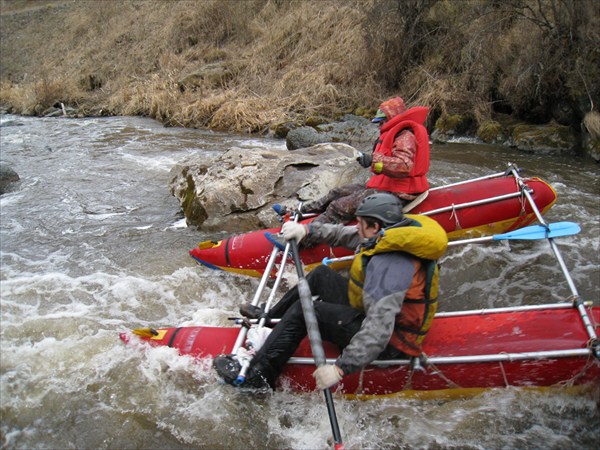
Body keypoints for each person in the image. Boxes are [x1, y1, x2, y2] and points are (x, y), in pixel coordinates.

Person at [213, 193, 447, 390]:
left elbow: (378, 331)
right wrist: (307, 231)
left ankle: (259, 377)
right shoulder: (388, 234)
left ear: (375, 226)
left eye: (360, 222)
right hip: (377, 313)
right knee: (320, 275)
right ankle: (270, 321)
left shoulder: (389, 266)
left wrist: (340, 368)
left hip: (391, 343)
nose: (356, 227)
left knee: (309, 310)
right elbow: (345, 235)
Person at [301, 96, 431, 225]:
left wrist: (373, 160)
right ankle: (301, 211)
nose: (379, 126)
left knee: (340, 206)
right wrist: (370, 160)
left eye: (381, 122)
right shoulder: (396, 134)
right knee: (337, 192)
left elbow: (404, 166)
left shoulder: (405, 136)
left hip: (400, 194)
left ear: (391, 118)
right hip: (389, 188)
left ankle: (307, 235)